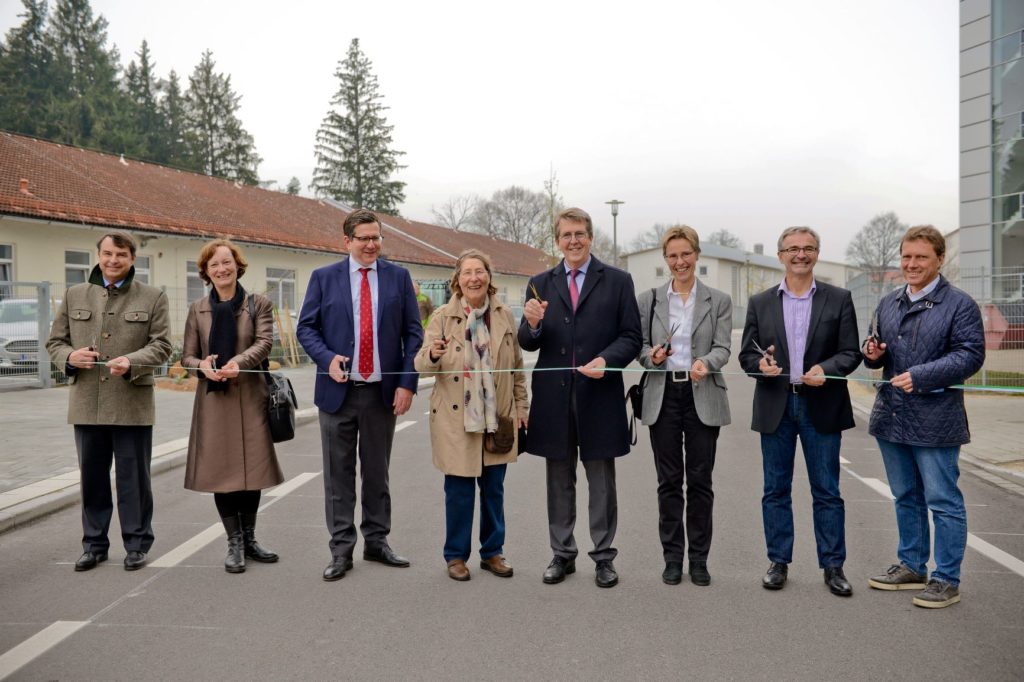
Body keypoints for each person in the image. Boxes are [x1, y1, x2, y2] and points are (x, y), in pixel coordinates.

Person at [297, 208, 424, 582]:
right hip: (337, 392)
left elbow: (413, 335)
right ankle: (340, 549)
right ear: (347, 241)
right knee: (338, 475)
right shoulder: (324, 278)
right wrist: (325, 358)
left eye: (376, 237)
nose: (371, 245)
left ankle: (377, 541)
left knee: (376, 473)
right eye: (364, 238)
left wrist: (406, 383)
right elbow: (307, 329)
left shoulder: (398, 278)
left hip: (381, 394)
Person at [519, 207, 642, 588]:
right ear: (557, 240)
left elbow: (631, 337)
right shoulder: (540, 282)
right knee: (558, 477)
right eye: (566, 235)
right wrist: (533, 323)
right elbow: (527, 340)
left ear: (591, 237)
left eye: (580, 234)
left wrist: (607, 360)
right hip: (554, 398)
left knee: (601, 479)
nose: (573, 241)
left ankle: (604, 557)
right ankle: (562, 554)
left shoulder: (618, 281)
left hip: (599, 393)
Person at [863, 225, 984, 609]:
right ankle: (912, 564)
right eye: (906, 257)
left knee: (943, 500)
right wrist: (872, 354)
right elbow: (873, 352)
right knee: (905, 496)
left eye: (920, 257)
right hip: (891, 416)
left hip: (936, 418)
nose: (911, 264)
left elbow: (970, 355)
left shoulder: (959, 304)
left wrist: (922, 375)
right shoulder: (889, 302)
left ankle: (946, 578)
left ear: (939, 260)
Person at [739, 226, 860, 597]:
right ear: (780, 255)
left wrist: (828, 368)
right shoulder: (760, 302)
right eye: (792, 249)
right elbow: (747, 355)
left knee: (827, 490)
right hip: (776, 404)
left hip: (820, 404)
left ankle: (833, 565)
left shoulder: (838, 298)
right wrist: (761, 367)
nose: (800, 255)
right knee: (775, 488)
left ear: (817, 254)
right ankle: (778, 561)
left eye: (808, 248)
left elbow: (851, 352)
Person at [46, 232, 171, 572]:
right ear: (98, 255)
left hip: (132, 403)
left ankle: (136, 544)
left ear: (133, 258)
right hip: (88, 403)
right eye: (107, 253)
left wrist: (132, 361)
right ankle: (94, 545)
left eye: (121, 254)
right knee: (92, 479)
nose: (113, 260)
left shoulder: (153, 296)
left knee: (134, 480)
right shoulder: (74, 295)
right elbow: (55, 341)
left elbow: (162, 346)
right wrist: (71, 357)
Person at [414, 250, 529, 581]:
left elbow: (516, 368)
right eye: (467, 272)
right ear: (458, 279)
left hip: (497, 415)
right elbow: (420, 363)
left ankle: (492, 552)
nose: (474, 278)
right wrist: (433, 355)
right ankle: (455, 556)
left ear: (489, 276)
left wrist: (522, 407)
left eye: (480, 271)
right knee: (459, 492)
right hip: (455, 419)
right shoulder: (441, 317)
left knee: (494, 490)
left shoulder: (504, 315)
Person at [181, 239, 284, 574]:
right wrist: (202, 365)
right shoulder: (197, 309)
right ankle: (234, 541)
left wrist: (238, 362)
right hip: (214, 401)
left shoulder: (258, 304)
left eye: (227, 262)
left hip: (250, 395)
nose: (222, 269)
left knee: (250, 471)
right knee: (223, 473)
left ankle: (251, 538)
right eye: (214, 265)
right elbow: (187, 356)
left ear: (238, 265)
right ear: (206, 273)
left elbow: (265, 342)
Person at [636, 226, 732, 587]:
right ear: (666, 260)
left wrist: (706, 362)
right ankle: (673, 558)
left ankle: (700, 559)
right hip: (663, 396)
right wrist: (654, 357)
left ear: (697, 255)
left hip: (702, 394)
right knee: (669, 482)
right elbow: (641, 349)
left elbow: (724, 347)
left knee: (701, 481)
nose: (680, 262)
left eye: (686, 254)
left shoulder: (718, 301)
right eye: (673, 256)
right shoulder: (649, 300)